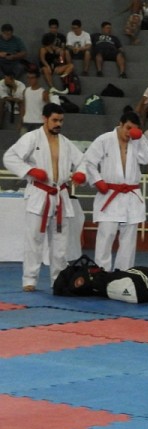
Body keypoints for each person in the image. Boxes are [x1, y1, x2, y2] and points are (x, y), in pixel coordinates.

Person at [2, 102, 85, 292]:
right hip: (39, 194)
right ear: (44, 119)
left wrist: (81, 173)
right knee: (34, 239)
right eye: (55, 120)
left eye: (61, 120)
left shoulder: (65, 142)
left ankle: (58, 280)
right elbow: (10, 157)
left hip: (60, 196)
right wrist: (29, 170)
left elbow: (82, 161)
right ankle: (29, 279)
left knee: (60, 243)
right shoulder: (32, 138)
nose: (58, 124)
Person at [82, 111, 148, 272]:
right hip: (110, 193)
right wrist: (97, 180)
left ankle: (123, 274)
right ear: (120, 124)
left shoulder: (136, 141)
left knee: (128, 241)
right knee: (106, 236)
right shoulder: (104, 140)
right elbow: (88, 161)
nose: (130, 133)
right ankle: (101, 275)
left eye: (134, 129)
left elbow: (146, 159)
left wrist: (140, 138)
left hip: (131, 196)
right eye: (128, 128)